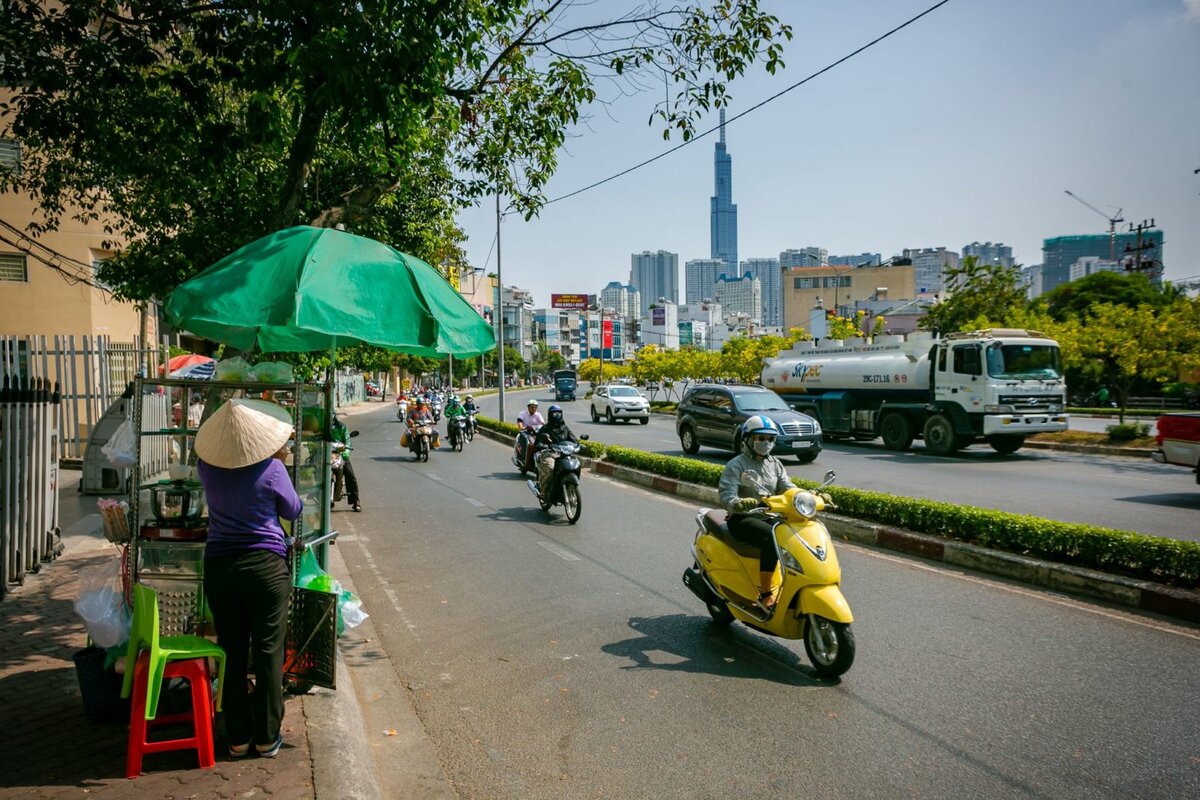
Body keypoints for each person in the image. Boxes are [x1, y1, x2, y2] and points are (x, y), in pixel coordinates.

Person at [194, 398, 302, 759]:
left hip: (221, 567)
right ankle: (267, 737)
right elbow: (292, 509)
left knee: (232, 650)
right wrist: (282, 468)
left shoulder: (206, 467)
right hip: (264, 568)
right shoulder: (272, 469)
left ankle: (237, 738)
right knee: (269, 651)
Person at [717, 415, 792, 611]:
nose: (765, 443)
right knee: (772, 538)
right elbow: (726, 495)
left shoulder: (775, 464)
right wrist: (739, 503)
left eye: (769, 439)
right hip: (743, 518)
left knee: (794, 535)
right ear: (748, 440)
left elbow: (788, 487)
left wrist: (807, 496)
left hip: (769, 516)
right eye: (760, 438)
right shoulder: (737, 464)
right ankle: (765, 594)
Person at [533, 404, 577, 496]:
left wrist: (578, 445)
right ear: (550, 415)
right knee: (550, 468)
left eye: (559, 413)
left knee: (575, 465)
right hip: (548, 454)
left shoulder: (565, 428)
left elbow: (574, 440)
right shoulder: (545, 429)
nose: (557, 415)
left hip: (564, 454)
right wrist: (543, 446)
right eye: (554, 413)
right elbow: (538, 443)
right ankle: (544, 491)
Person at [330, 414, 360, 512]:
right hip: (325, 455)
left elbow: (347, 441)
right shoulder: (321, 427)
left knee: (350, 475)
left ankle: (355, 501)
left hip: (339, 454)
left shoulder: (342, 427)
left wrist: (345, 453)